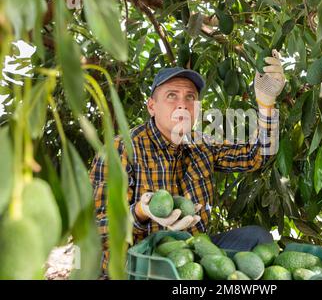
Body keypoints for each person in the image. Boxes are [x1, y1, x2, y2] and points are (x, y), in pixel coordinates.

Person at [89, 49, 286, 278]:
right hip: (140, 265)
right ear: (152, 106)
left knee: (258, 239)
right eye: (172, 95)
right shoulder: (120, 149)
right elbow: (98, 232)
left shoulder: (202, 144)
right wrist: (142, 211)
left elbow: (257, 156)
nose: (182, 104)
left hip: (192, 256)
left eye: (190, 97)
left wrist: (266, 104)